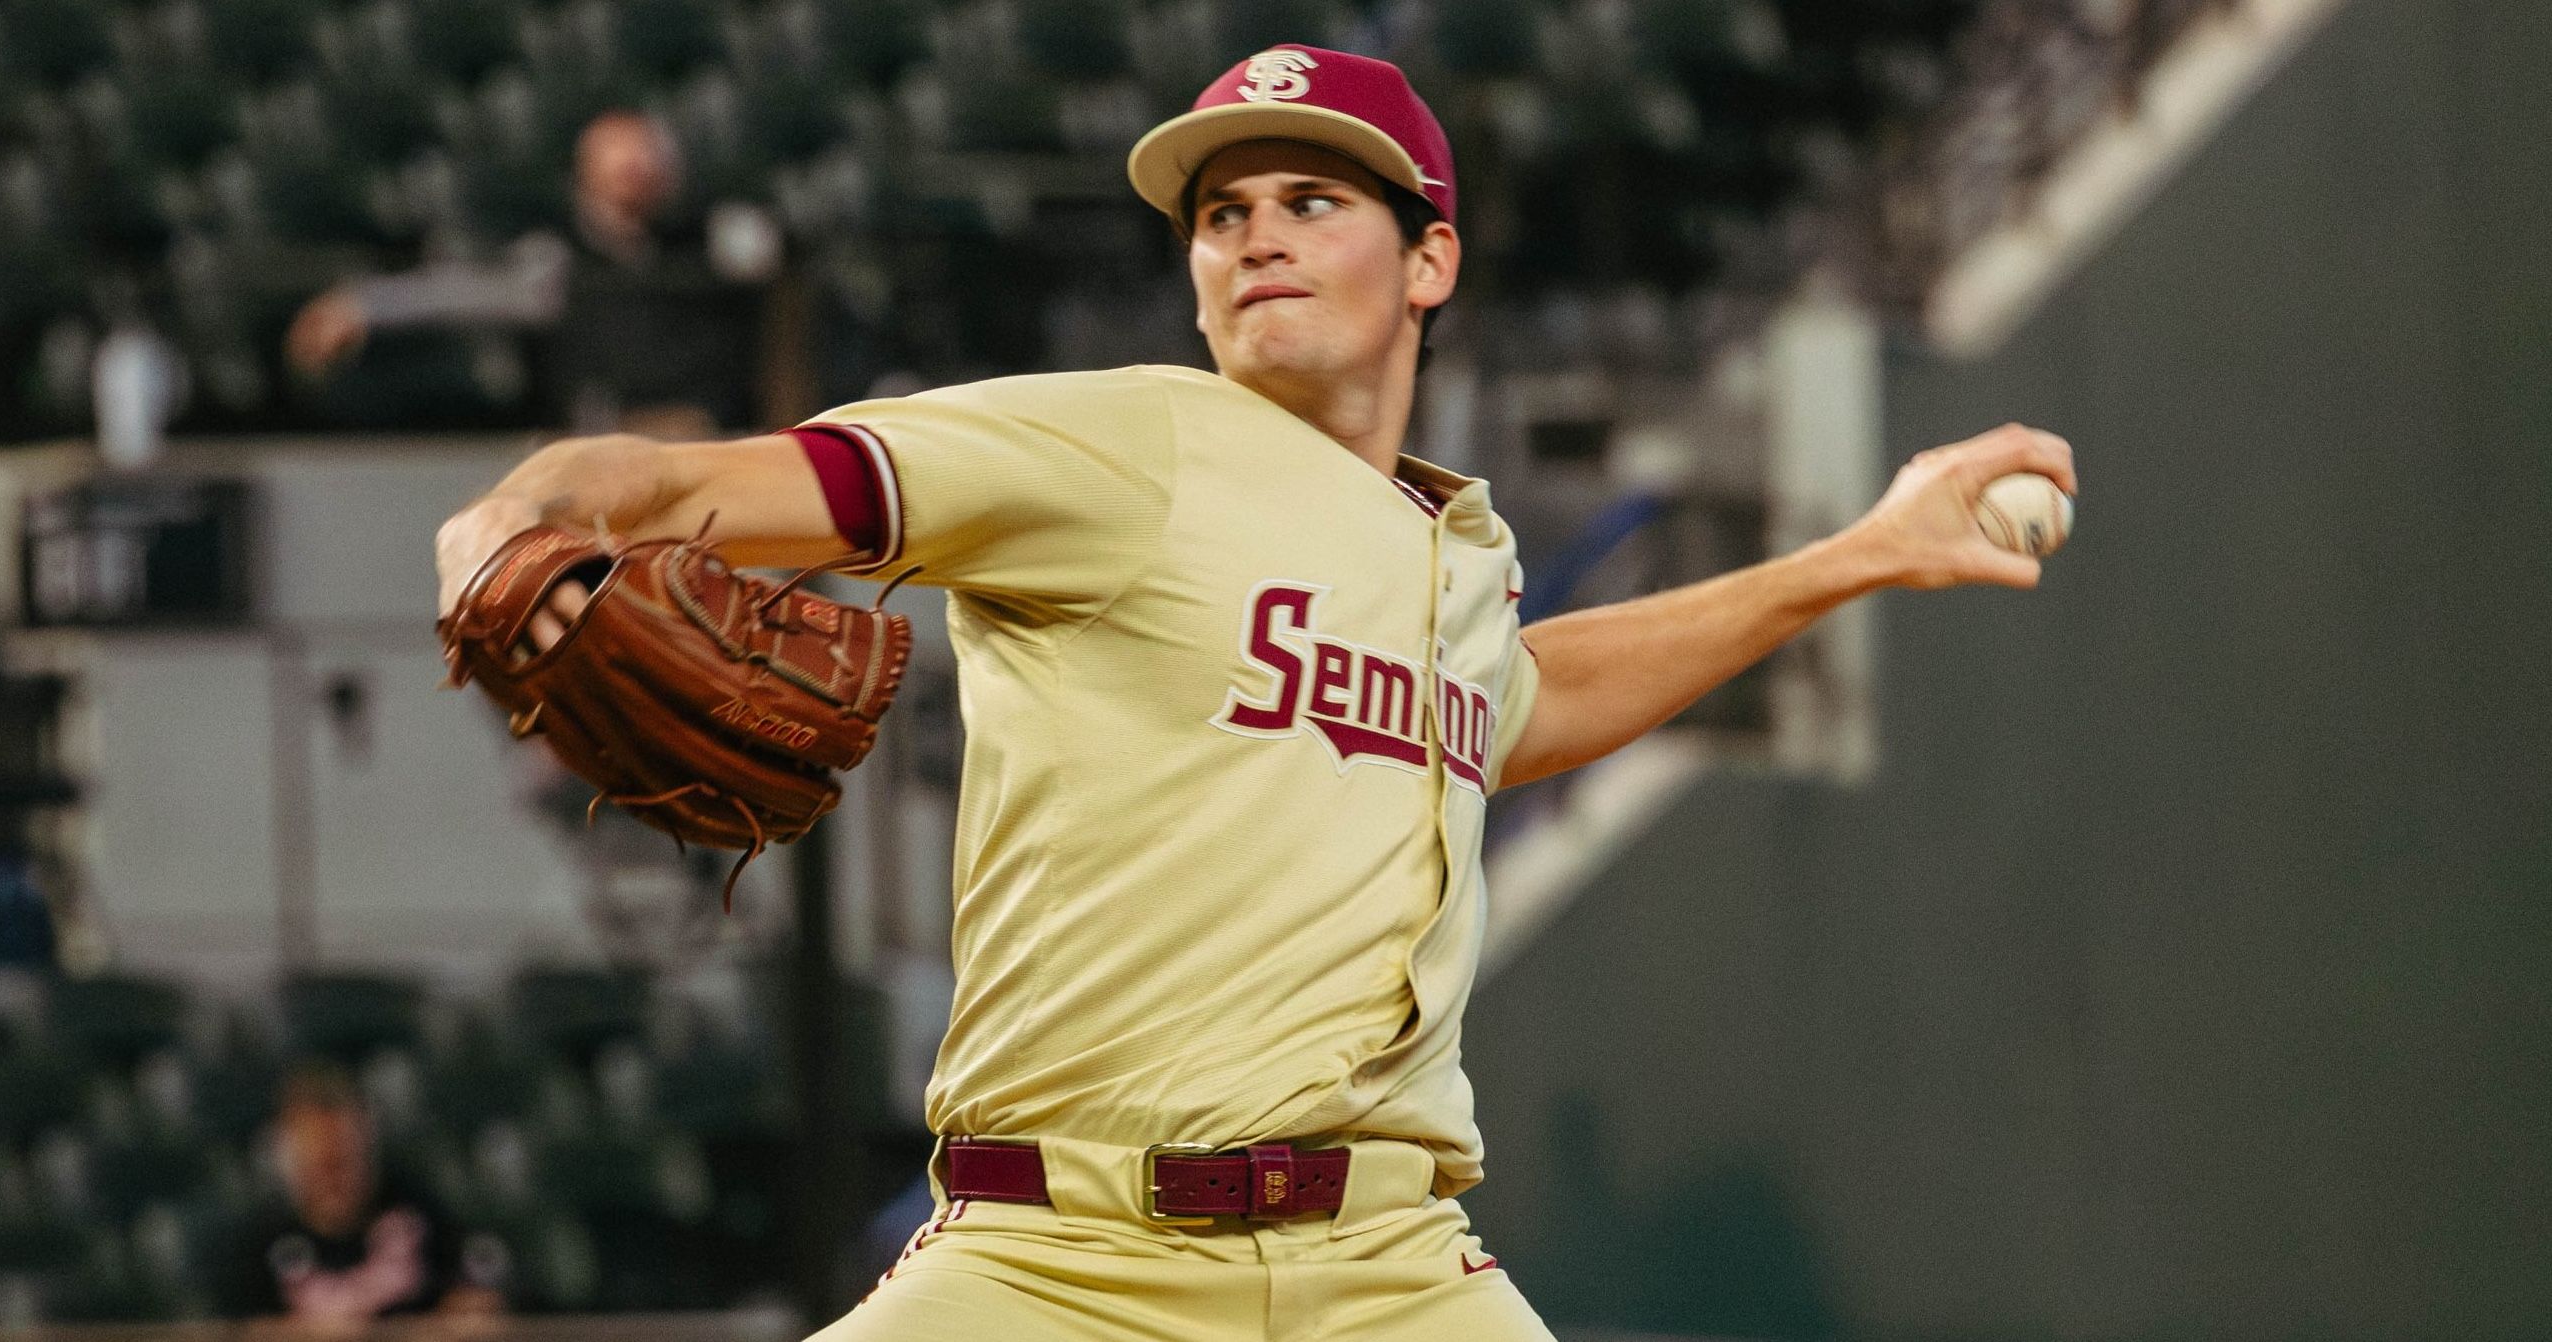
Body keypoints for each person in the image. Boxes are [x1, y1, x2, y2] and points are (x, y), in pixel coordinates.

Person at [433, 44, 2076, 1341]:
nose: (1254, 235)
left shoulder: (1455, 555)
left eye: (1309, 198)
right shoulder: (1117, 445)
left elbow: (1516, 704)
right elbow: (675, 485)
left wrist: (1853, 555)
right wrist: (515, 515)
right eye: (1221, 215)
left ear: (1430, 261)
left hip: (1388, 1268)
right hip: (1064, 1262)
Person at [286, 110, 783, 439]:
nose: (635, 170)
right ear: (585, 175)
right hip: (606, 441)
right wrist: (363, 304)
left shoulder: (712, 241)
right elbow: (466, 291)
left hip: (710, 436)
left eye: (645, 158)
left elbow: (774, 255)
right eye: (617, 160)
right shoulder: (559, 261)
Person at [218, 1063, 503, 1323]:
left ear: (367, 1147)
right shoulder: (261, 1245)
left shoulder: (417, 1214)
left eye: (346, 1162)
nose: (335, 1180)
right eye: (322, 1165)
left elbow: (480, 1293)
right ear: (292, 1162)